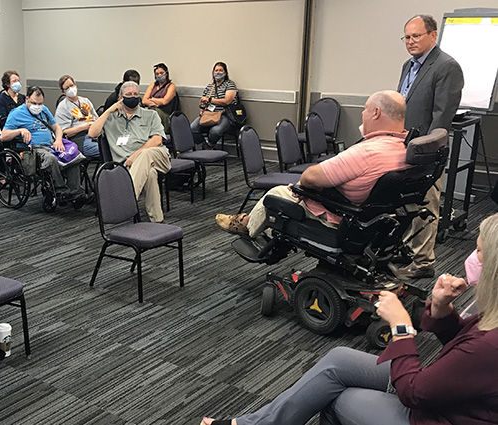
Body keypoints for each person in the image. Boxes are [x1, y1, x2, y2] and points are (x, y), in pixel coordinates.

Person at [201, 212, 498, 425]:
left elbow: (414, 392)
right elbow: (465, 349)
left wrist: (401, 329)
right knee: (340, 360)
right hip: (453, 392)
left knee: (341, 400)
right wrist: (442, 309)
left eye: (480, 253)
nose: (471, 258)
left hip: (440, 411)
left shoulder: (492, 345)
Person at [216, 90, 410, 238]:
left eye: (365, 109)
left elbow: (310, 178)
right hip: (371, 216)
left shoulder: (368, 151)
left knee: (276, 193)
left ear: (376, 113)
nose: (362, 113)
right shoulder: (403, 147)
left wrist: (303, 186)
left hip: (341, 214)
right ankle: (261, 225)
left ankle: (248, 229)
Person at [397, 14, 464, 279]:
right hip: (404, 145)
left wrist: (428, 153)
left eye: (416, 36)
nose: (411, 42)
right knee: (404, 204)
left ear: (433, 35)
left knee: (425, 205)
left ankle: (423, 262)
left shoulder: (446, 66)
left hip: (426, 151)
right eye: (407, 37)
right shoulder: (408, 65)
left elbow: (441, 119)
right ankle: (406, 253)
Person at [88, 81, 171, 223]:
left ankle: (124, 201)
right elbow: (92, 133)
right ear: (120, 97)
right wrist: (108, 111)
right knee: (150, 173)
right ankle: (157, 220)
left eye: (135, 94)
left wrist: (135, 155)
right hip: (130, 165)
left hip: (158, 156)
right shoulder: (110, 119)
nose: (133, 97)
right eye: (128, 95)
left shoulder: (150, 115)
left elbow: (157, 140)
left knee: (145, 155)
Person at [0, 85, 87, 208]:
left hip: (51, 145)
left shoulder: (44, 109)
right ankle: (61, 191)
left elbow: (57, 127)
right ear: (27, 99)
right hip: (33, 149)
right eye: (34, 103)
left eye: (40, 103)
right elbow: (3, 136)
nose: (37, 106)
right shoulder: (16, 114)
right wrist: (20, 131)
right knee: (50, 158)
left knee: (73, 156)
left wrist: (58, 140)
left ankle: (76, 193)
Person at [190, 62, 238, 149]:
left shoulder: (229, 85)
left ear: (225, 73)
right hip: (209, 113)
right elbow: (203, 102)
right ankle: (204, 146)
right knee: (192, 128)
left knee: (215, 131)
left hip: (224, 115)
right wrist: (202, 104)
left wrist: (210, 100)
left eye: (220, 70)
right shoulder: (210, 87)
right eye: (216, 70)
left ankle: (210, 146)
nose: (218, 72)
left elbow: (227, 101)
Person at [55, 75, 99, 157]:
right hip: (79, 139)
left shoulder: (85, 101)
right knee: (104, 150)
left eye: (71, 85)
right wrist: (84, 127)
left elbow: (97, 119)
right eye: (67, 88)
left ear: (75, 84)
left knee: (113, 146)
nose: (71, 89)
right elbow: (64, 132)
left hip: (94, 135)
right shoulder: (63, 107)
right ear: (63, 92)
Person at [142, 63, 178, 133]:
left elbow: (165, 101)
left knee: (154, 112)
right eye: (157, 74)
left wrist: (152, 99)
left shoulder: (171, 86)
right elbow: (144, 100)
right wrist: (155, 104)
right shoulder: (152, 85)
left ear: (166, 73)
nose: (159, 75)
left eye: (161, 73)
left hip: (165, 114)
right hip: (152, 109)